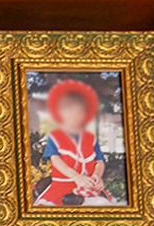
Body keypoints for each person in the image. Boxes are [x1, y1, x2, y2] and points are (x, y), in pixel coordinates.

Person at [33, 79, 114, 207]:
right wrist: (77, 177)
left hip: (89, 187)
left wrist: (97, 176)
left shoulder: (91, 138)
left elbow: (99, 161)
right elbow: (56, 160)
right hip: (62, 187)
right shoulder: (55, 137)